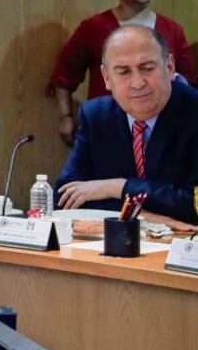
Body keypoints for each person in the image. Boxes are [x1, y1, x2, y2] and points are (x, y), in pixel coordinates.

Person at [56, 25, 198, 223]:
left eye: (147, 68)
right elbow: (64, 198)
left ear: (170, 67)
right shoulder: (96, 115)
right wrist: (146, 216)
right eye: (124, 72)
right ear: (107, 77)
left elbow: (194, 203)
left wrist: (117, 187)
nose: (138, 82)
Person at [50, 0, 195, 146]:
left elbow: (188, 79)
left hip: (163, 131)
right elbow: (65, 72)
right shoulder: (95, 27)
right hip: (108, 129)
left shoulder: (171, 29)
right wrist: (65, 116)